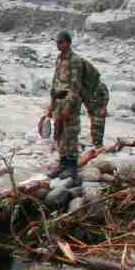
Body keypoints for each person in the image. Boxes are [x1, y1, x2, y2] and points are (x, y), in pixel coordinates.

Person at [46, 31, 99, 180]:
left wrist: (68, 106)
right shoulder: (59, 58)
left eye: (61, 42)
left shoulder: (75, 61)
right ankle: (62, 163)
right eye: (57, 42)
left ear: (68, 43)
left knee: (70, 133)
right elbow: (55, 82)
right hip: (58, 101)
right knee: (59, 133)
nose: (58, 45)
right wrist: (51, 105)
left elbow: (75, 86)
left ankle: (72, 166)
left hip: (71, 103)